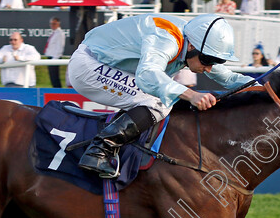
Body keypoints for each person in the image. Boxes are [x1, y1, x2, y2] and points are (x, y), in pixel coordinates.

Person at [68, 14, 254, 178]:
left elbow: (228, 77)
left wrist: (264, 86)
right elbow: (147, 75)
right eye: (207, 60)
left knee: (163, 99)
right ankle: (99, 151)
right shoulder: (166, 39)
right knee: (158, 102)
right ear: (191, 46)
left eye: (216, 61)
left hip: (109, 65)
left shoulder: (195, 41)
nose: (209, 68)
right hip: (89, 65)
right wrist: (190, 94)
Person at [44, 17, 66, 88]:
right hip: (51, 57)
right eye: (51, 24)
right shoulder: (54, 33)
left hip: (54, 58)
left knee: (55, 77)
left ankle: (58, 91)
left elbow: (60, 47)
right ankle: (55, 90)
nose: (52, 25)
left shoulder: (60, 33)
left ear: (58, 24)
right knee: (52, 77)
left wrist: (55, 59)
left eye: (54, 24)